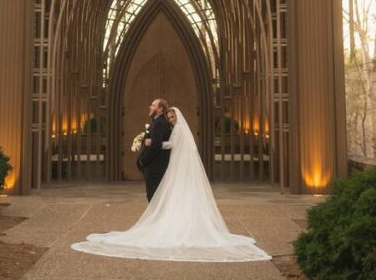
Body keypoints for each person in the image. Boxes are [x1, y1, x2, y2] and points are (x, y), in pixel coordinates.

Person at [71, 105, 271, 262]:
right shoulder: (178, 128)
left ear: (178, 117)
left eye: (173, 116)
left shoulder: (179, 129)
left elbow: (172, 145)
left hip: (178, 165)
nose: (171, 119)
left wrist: (152, 143)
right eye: (169, 117)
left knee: (176, 191)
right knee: (179, 193)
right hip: (177, 164)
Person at [137, 97, 172, 202]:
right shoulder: (157, 121)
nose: (150, 107)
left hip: (155, 167)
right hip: (156, 166)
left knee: (153, 196)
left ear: (160, 109)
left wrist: (143, 160)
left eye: (153, 105)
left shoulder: (159, 123)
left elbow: (156, 145)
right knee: (154, 195)